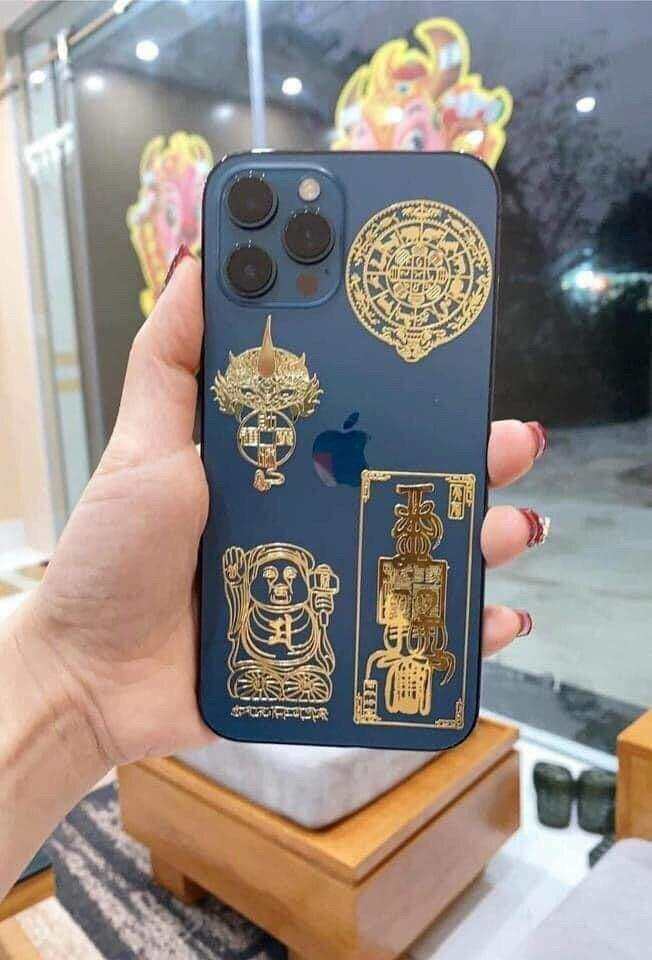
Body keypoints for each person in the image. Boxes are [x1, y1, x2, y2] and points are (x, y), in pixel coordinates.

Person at [0, 247, 549, 899]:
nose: (269, 436)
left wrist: (69, 678)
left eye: (279, 423)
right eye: (259, 424)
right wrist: (73, 671)